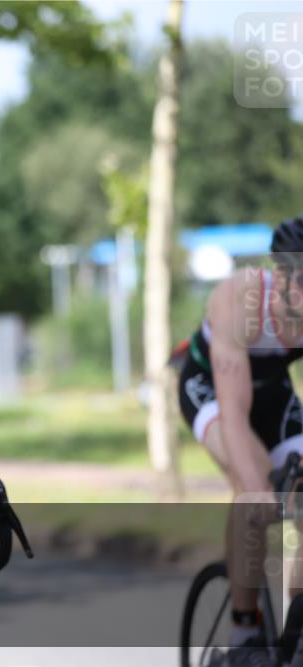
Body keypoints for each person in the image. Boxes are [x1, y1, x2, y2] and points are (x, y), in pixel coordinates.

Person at [177, 215, 303, 666]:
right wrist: (257, 489)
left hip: (275, 396)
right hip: (212, 389)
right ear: (281, 277)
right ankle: (243, 630)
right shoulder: (240, 296)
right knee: (253, 491)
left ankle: (296, 625)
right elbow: (233, 412)